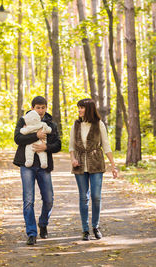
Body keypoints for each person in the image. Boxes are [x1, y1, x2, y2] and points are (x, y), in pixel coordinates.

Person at [13, 96, 61, 245]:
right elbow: (18, 138)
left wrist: (46, 147)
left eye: (43, 107)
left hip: (43, 166)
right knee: (28, 200)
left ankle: (43, 223)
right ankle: (32, 233)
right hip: (26, 165)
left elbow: (58, 145)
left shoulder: (51, 124)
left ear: (46, 108)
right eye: (37, 107)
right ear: (33, 108)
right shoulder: (24, 120)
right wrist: (36, 135)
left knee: (48, 199)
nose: (40, 111)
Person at [69, 98, 118, 241]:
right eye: (78, 108)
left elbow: (106, 145)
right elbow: (71, 146)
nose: (79, 110)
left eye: (82, 108)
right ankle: (85, 230)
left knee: (96, 197)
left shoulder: (99, 124)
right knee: (84, 197)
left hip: (96, 162)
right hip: (79, 164)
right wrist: (73, 159)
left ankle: (95, 226)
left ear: (89, 109)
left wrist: (113, 165)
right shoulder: (76, 124)